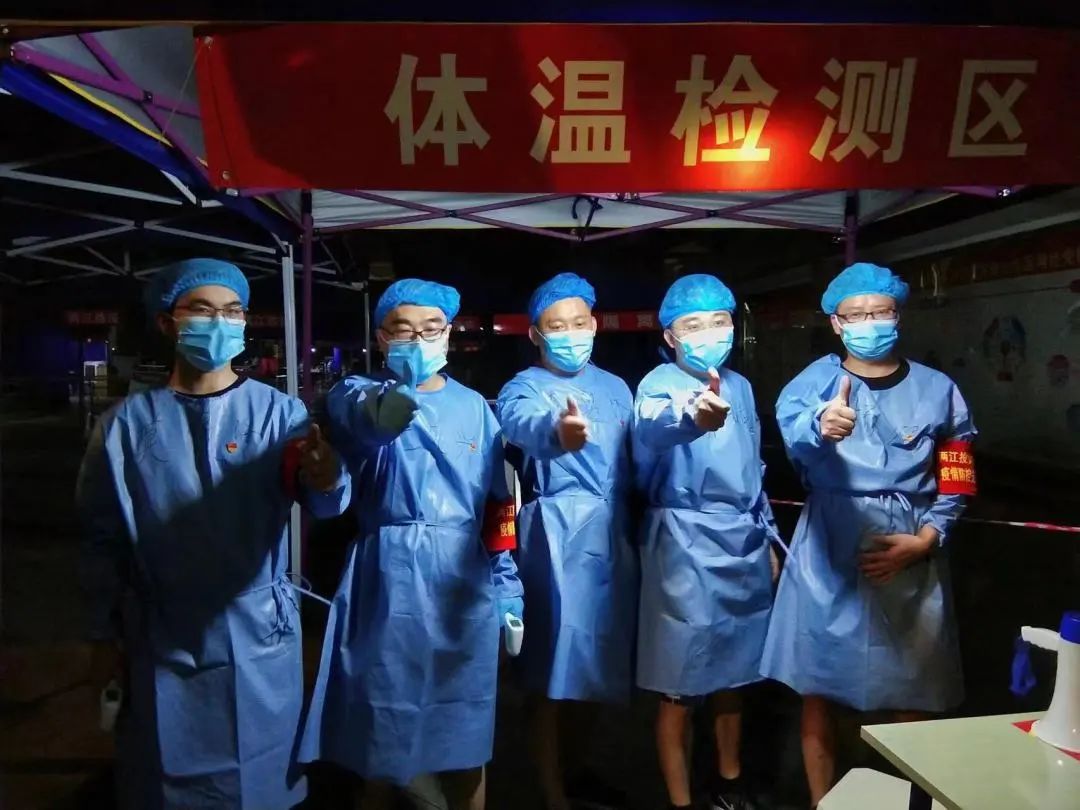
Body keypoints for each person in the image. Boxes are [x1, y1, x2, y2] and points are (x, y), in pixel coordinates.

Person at [77, 258, 351, 810]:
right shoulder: (125, 427)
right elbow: (100, 540)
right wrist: (102, 636)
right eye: (202, 310)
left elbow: (322, 497)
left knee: (259, 779)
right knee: (167, 780)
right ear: (167, 322)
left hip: (257, 633)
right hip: (163, 637)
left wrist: (327, 476)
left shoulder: (279, 415)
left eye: (232, 311)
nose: (219, 323)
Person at [300, 278, 524, 810]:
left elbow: (498, 506)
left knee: (465, 736)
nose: (418, 340)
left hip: (463, 586)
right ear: (381, 337)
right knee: (383, 734)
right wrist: (375, 418)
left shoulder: (476, 409)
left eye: (431, 328)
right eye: (403, 330)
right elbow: (353, 446)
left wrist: (506, 588)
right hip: (389, 581)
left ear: (448, 333)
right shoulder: (355, 394)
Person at [760, 263, 977, 807]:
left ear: (898, 315)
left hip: (910, 544)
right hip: (828, 548)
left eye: (880, 311)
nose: (869, 322)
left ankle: (912, 800)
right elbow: (797, 438)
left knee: (913, 687)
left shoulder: (938, 389)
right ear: (835, 323)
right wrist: (822, 427)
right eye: (855, 315)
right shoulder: (812, 385)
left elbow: (957, 468)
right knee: (818, 687)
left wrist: (929, 537)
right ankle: (822, 801)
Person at [633, 274, 780, 810]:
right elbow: (654, 427)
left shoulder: (740, 386)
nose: (709, 332)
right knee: (679, 682)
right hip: (684, 544)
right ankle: (680, 800)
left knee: (734, 675)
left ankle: (729, 785)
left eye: (719, 321)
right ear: (670, 336)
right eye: (693, 325)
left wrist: (768, 537)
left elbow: (753, 468)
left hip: (742, 538)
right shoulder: (658, 385)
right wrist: (692, 418)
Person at [495, 272, 637, 810]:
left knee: (596, 668)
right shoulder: (523, 388)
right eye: (557, 326)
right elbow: (521, 422)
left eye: (579, 322)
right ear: (535, 333)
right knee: (551, 673)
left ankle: (578, 773)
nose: (571, 333)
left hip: (612, 535)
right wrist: (558, 432)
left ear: (594, 325)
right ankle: (552, 795)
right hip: (554, 539)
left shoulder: (617, 388)